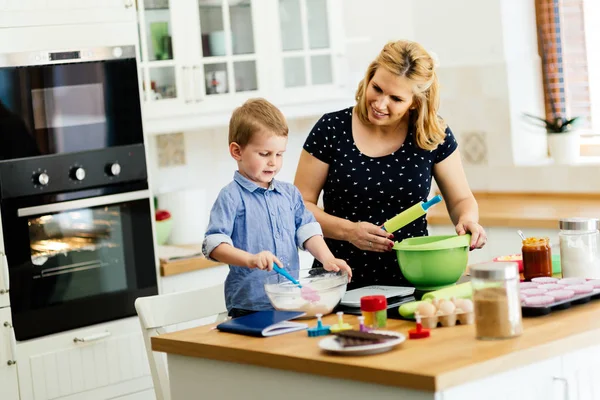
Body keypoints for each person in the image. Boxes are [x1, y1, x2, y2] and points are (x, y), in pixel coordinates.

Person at [294, 40, 486, 290]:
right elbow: (299, 208)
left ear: (415, 102)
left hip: (416, 281)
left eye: (396, 98)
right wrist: (349, 231)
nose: (380, 104)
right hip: (338, 282)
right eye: (377, 88)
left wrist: (468, 219)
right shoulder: (331, 129)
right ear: (370, 76)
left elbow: (461, 200)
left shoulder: (431, 133)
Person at [202, 98, 352, 318]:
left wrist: (328, 258)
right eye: (264, 154)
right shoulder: (231, 197)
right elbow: (214, 244)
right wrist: (250, 260)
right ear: (237, 151)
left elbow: (307, 229)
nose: (273, 162)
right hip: (250, 306)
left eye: (279, 154)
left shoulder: (289, 194)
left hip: (289, 302)